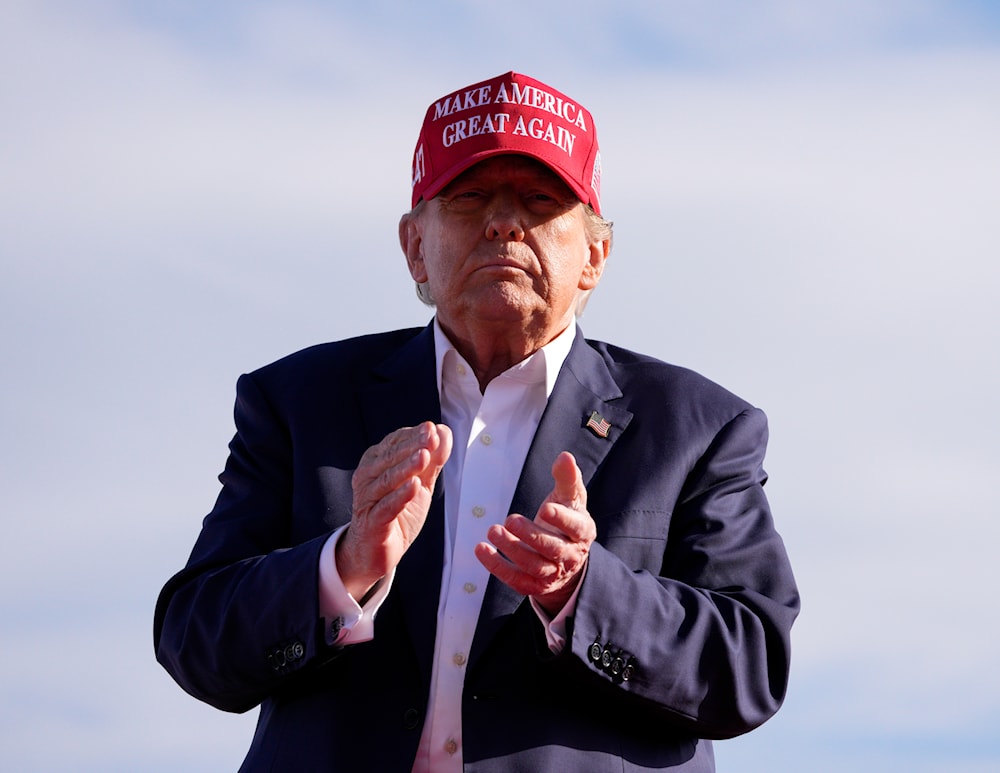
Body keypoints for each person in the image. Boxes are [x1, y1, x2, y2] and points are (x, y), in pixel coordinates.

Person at [154, 71, 799, 772]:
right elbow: (196, 638)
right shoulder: (297, 400)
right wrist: (343, 566)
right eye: (468, 198)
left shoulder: (700, 426)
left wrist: (583, 589)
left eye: (541, 200)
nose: (503, 222)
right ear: (414, 246)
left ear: (594, 256)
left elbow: (751, 664)